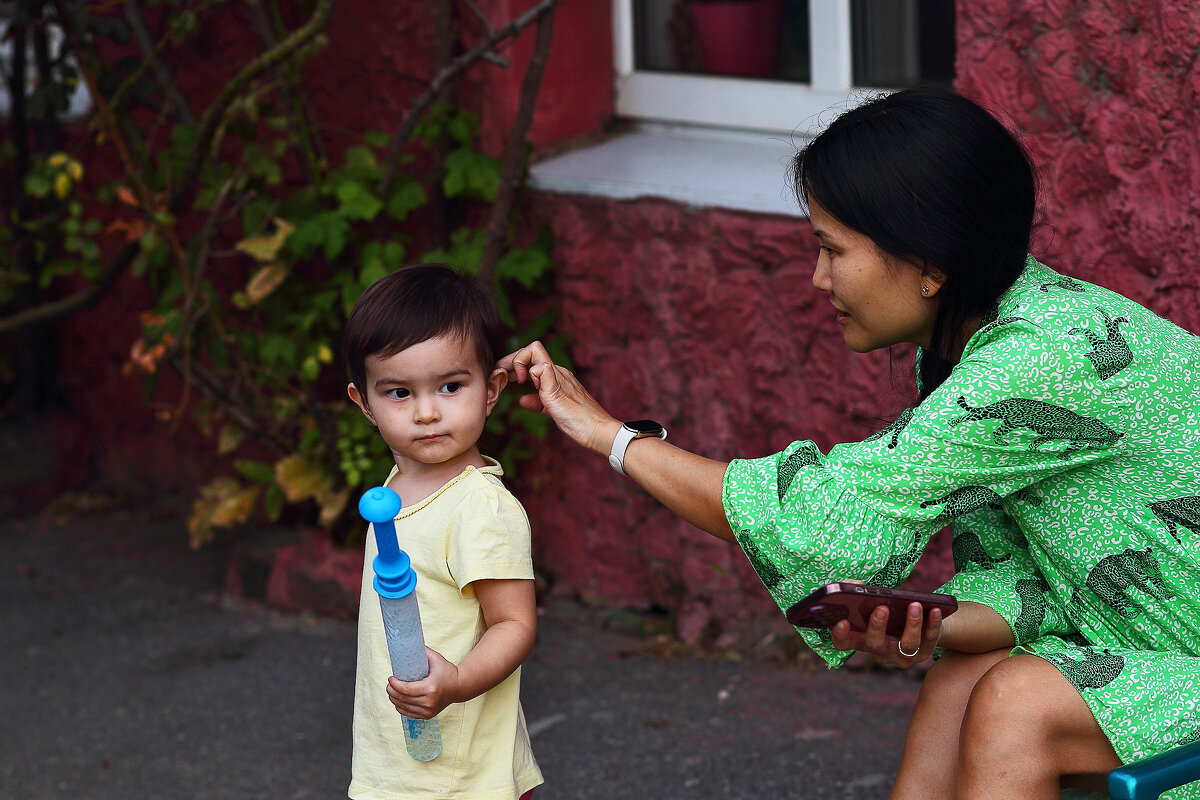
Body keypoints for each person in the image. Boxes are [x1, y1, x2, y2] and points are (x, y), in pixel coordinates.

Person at [500, 86, 1200, 800]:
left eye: (832, 250)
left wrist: (609, 435)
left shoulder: (1039, 360)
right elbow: (1024, 588)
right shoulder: (988, 332)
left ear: (930, 264)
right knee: (967, 675)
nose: (818, 278)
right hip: (1158, 647)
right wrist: (924, 624)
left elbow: (818, 520)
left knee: (1019, 700)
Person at [344, 263, 543, 799]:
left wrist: (455, 684)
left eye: (451, 385)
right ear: (364, 403)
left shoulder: (479, 508)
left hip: (465, 776)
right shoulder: (393, 494)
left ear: (492, 388)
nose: (428, 412)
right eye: (399, 393)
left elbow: (513, 624)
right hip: (399, 764)